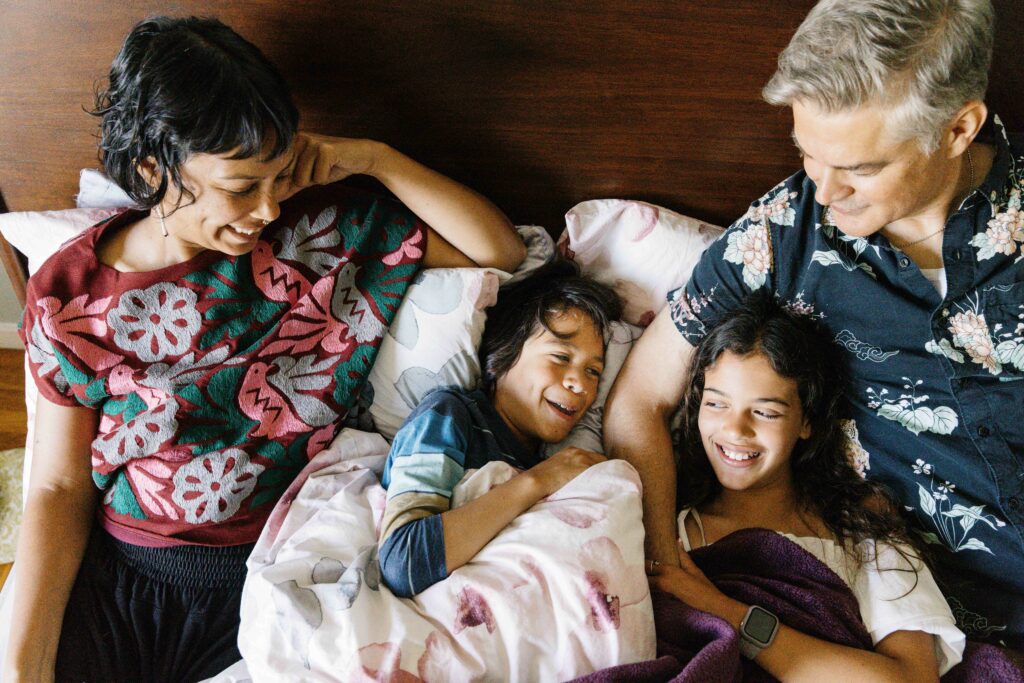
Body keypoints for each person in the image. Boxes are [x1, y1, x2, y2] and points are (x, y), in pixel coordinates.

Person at [4, 16, 525, 682]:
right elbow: (55, 484)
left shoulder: (322, 230)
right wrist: (24, 663)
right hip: (127, 573)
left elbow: (500, 250)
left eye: (278, 178)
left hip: (275, 573)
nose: (267, 209)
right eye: (241, 187)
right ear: (152, 169)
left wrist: (374, 157)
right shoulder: (71, 296)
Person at [605, 0, 1024, 648]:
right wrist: (664, 556)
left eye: (859, 168)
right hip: (922, 623)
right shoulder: (783, 235)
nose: (824, 193)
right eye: (807, 154)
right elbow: (639, 396)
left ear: (957, 128)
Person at [648, 296, 964, 680]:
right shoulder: (671, 534)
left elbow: (913, 679)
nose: (735, 430)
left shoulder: (865, 534)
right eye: (716, 404)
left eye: (765, 412)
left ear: (806, 421)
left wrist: (722, 609)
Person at [377, 260, 621, 597]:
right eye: (561, 357)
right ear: (504, 354)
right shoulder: (449, 416)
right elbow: (403, 562)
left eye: (593, 371)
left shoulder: (556, 465)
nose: (580, 384)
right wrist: (539, 481)